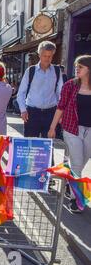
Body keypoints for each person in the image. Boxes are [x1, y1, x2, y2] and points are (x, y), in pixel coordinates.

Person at [48, 55, 91, 213]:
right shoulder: (70, 86)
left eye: (80, 67)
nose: (77, 69)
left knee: (81, 162)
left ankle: (69, 184)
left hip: (90, 131)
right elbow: (60, 107)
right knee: (77, 164)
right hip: (72, 129)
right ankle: (76, 199)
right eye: (76, 66)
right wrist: (52, 128)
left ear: (89, 69)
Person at [17, 41, 64, 138]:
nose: (47, 59)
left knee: (48, 145)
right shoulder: (31, 71)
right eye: (44, 56)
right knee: (30, 143)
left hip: (51, 113)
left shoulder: (56, 71)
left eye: (49, 56)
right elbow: (21, 92)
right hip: (32, 113)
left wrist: (60, 113)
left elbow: (61, 93)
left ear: (53, 55)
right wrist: (23, 110)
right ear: (39, 55)